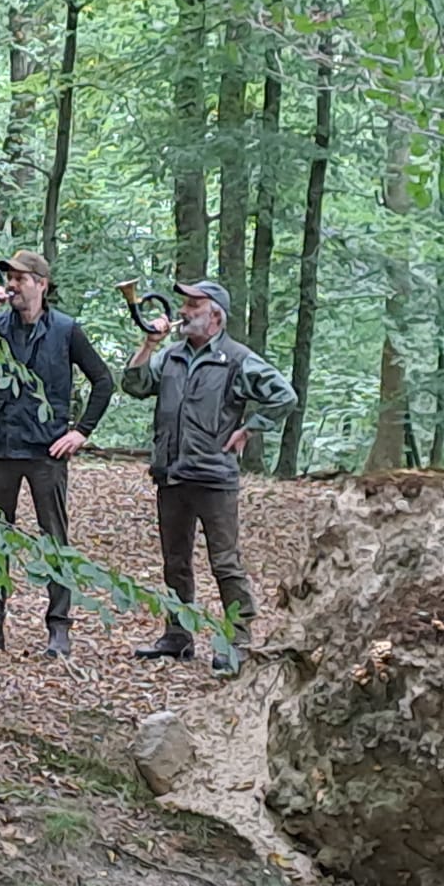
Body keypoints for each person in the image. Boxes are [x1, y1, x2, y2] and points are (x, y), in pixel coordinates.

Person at [121, 278, 297, 672]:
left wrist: (250, 428)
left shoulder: (236, 359)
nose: (183, 312)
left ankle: (238, 641)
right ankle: (177, 635)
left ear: (215, 315)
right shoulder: (171, 355)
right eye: (184, 305)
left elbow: (284, 396)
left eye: (193, 306)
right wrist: (148, 344)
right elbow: (134, 385)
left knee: (225, 563)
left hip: (214, 476)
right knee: (175, 562)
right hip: (171, 473)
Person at [0, 249, 114, 658]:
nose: (13, 285)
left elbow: (104, 381)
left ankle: (59, 629)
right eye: (10, 278)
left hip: (45, 451)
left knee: (53, 537)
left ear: (41, 284)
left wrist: (80, 433)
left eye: (21, 278)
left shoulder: (66, 330)